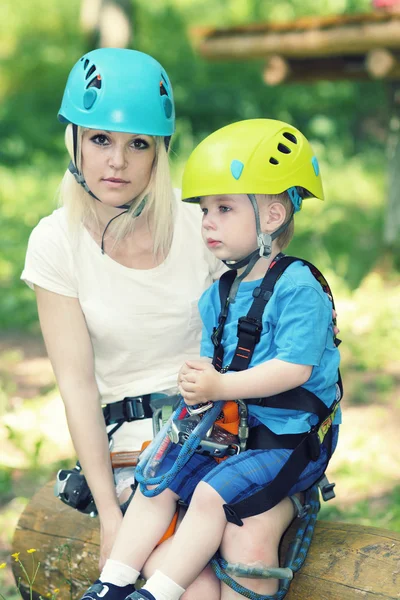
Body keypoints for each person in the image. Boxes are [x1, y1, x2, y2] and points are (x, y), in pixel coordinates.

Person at [21, 49, 307, 600]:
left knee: (249, 560)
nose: (118, 162)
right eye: (101, 139)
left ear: (161, 152)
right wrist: (109, 512)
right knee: (191, 584)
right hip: (137, 451)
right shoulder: (56, 242)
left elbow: (269, 312)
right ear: (74, 141)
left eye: (139, 145)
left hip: (231, 431)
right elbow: (77, 385)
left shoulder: (203, 219)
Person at [80, 118, 342, 600]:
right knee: (161, 480)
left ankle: (154, 592)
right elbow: (215, 365)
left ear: (271, 216)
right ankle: (112, 583)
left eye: (224, 208)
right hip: (237, 434)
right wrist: (200, 384)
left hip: (290, 441)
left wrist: (220, 387)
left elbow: (295, 370)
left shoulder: (300, 289)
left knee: (209, 494)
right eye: (204, 211)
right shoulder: (219, 294)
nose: (208, 223)